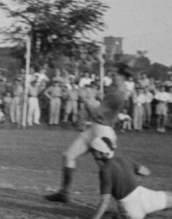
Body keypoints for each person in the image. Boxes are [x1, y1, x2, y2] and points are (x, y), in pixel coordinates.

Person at [46, 61, 133, 203]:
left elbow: (95, 114)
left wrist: (84, 99)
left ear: (122, 77)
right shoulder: (118, 91)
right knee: (68, 155)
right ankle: (64, 193)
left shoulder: (117, 95)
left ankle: (124, 203)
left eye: (115, 75)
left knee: (108, 171)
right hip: (95, 129)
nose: (113, 76)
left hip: (103, 133)